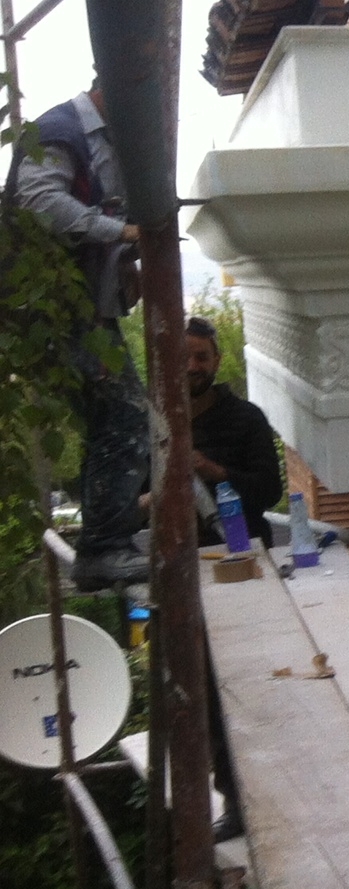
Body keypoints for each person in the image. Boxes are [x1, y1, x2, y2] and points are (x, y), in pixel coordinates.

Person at [10, 84, 150, 589]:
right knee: (124, 416)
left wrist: (124, 258)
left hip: (83, 312)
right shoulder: (60, 130)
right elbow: (38, 201)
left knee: (112, 420)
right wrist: (120, 234)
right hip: (51, 313)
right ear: (108, 83)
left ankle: (104, 546)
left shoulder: (102, 141)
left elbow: (98, 213)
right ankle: (104, 549)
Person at [183, 316, 282, 547]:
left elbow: (270, 492)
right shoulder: (153, 424)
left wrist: (216, 472)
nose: (192, 367)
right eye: (182, 358)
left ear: (216, 361)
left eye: (201, 358)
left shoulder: (247, 417)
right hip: (179, 557)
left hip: (244, 550)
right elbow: (131, 508)